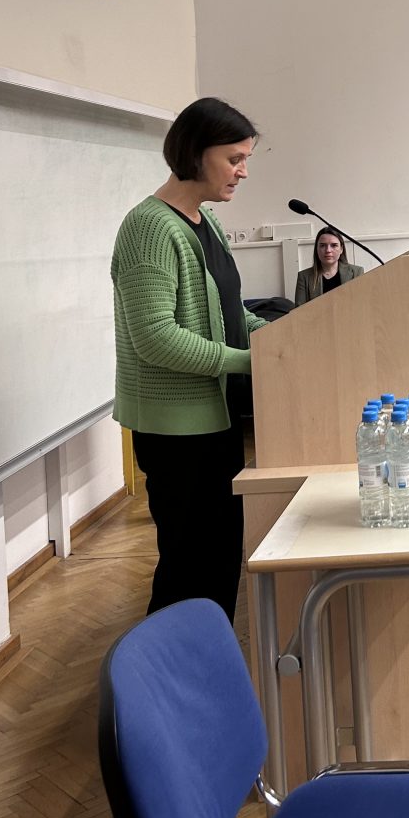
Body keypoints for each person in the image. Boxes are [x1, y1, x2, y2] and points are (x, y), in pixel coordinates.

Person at [111, 97, 267, 623]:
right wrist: (247, 361)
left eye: (245, 159)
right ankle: (166, 669)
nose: (243, 171)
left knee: (220, 556)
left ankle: (208, 655)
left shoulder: (207, 223)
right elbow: (155, 337)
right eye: (234, 159)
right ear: (196, 153)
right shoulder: (150, 227)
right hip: (175, 430)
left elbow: (230, 312)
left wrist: (275, 339)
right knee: (187, 566)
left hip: (217, 418)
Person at [294, 225, 363, 304]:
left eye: (334, 245)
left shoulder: (356, 272)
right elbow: (300, 310)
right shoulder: (304, 277)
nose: (328, 250)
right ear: (317, 249)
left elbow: (361, 304)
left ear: (341, 249)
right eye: (323, 245)